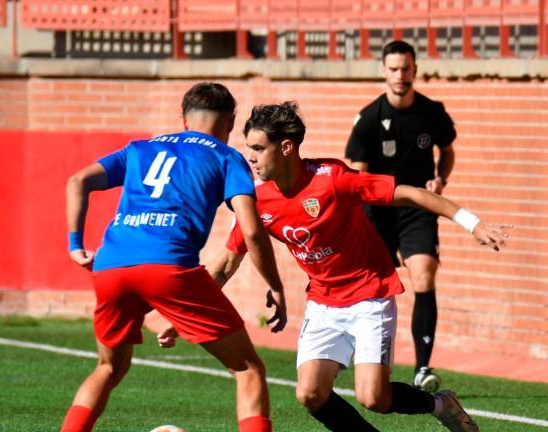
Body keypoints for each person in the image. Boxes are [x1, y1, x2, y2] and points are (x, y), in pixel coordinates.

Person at [207, 102, 509, 432]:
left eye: (258, 148)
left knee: (373, 397)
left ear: (286, 147)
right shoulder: (257, 201)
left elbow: (407, 193)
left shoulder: (332, 179)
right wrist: (185, 308)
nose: (250, 157)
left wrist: (472, 223)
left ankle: (440, 404)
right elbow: (225, 264)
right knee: (310, 393)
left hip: (370, 294)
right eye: (248, 148)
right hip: (323, 302)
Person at [61, 82, 287, 432]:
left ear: (184, 120)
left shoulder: (140, 148)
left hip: (110, 265)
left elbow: (78, 181)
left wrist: (76, 244)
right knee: (248, 369)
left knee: (108, 368)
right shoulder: (227, 156)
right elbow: (252, 230)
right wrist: (275, 286)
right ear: (230, 122)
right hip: (169, 266)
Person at [345, 40, 457, 392]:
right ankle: (361, 357)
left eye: (405, 69)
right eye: (393, 69)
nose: (400, 76)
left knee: (424, 275)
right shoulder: (368, 119)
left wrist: (441, 178)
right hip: (376, 213)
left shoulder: (431, 112)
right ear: (384, 71)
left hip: (418, 210)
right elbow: (356, 176)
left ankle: (423, 368)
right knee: (372, 287)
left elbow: (447, 150)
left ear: (415, 71)